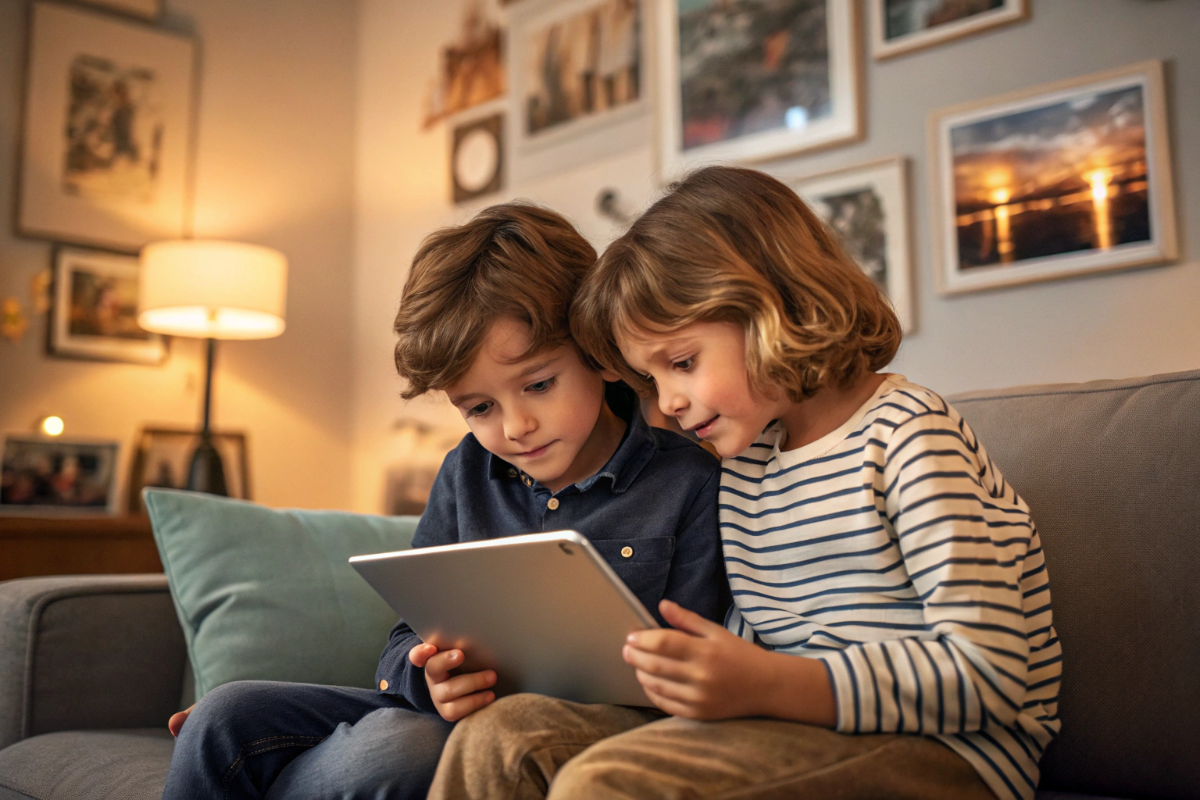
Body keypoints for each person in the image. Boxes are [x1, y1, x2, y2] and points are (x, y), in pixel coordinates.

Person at [427, 166, 1062, 800]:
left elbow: (992, 670)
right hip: (785, 729)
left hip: (952, 756)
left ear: (774, 310)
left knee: (606, 783)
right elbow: (749, 639)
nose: (668, 403)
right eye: (651, 380)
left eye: (682, 363)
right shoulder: (746, 464)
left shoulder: (907, 436)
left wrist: (767, 684)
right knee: (501, 737)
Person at [160, 203, 727, 800]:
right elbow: (404, 640)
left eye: (538, 385)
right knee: (223, 714)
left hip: (575, 732)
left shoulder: (686, 481)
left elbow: (695, 672)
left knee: (393, 749)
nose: (516, 427)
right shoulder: (467, 471)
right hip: (441, 713)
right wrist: (425, 677)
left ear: (599, 353)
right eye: (479, 408)